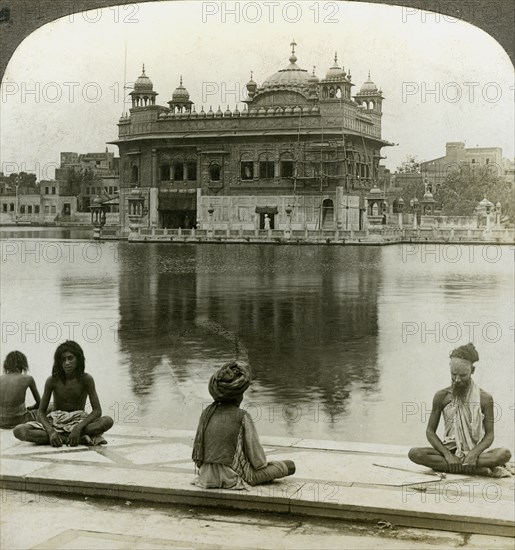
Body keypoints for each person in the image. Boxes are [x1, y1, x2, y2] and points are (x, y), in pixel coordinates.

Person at [408, 343, 512, 477]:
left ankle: (459, 466)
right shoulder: (441, 396)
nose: (457, 380)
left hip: (475, 451)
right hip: (449, 451)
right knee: (415, 453)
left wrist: (473, 454)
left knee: (504, 454)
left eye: (463, 375)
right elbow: (430, 431)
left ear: (472, 370)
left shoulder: (485, 398)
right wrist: (447, 455)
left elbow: (489, 435)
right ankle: (475, 469)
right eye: (453, 374)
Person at [192, 361, 296, 489]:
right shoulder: (242, 416)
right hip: (232, 477)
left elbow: (199, 455)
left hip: (206, 477)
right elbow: (259, 462)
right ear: (238, 397)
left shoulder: (206, 413)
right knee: (289, 465)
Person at [13, 341, 113, 447]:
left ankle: (67, 436)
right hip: (56, 421)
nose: (66, 363)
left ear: (78, 359)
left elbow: (97, 411)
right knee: (19, 430)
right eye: (63, 359)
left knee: (107, 421)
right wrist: (51, 431)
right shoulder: (52, 380)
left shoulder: (86, 379)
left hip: (79, 420)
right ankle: (74, 439)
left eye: (70, 358)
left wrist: (78, 427)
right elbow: (41, 412)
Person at [0, 351, 41, 429]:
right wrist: (32, 407)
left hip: (1, 421)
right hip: (18, 420)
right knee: (50, 406)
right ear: (23, 364)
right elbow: (40, 403)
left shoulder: (0, 378)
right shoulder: (28, 378)